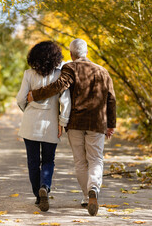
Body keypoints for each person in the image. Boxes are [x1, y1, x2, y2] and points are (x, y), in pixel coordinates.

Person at [27, 38, 116, 216]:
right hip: (97, 123)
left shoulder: (70, 68)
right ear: (86, 53)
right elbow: (111, 99)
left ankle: (86, 196)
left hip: (75, 123)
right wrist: (111, 124)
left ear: (71, 54)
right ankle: (93, 190)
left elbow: (59, 86)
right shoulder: (103, 71)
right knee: (96, 159)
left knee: (80, 161)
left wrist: (35, 95)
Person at [16, 41, 71, 212]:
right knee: (48, 160)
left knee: (33, 161)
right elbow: (65, 102)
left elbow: (20, 98)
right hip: (50, 124)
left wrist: (27, 110)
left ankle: (38, 196)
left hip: (30, 123)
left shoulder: (28, 74)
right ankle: (45, 186)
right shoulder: (60, 75)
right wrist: (62, 123)